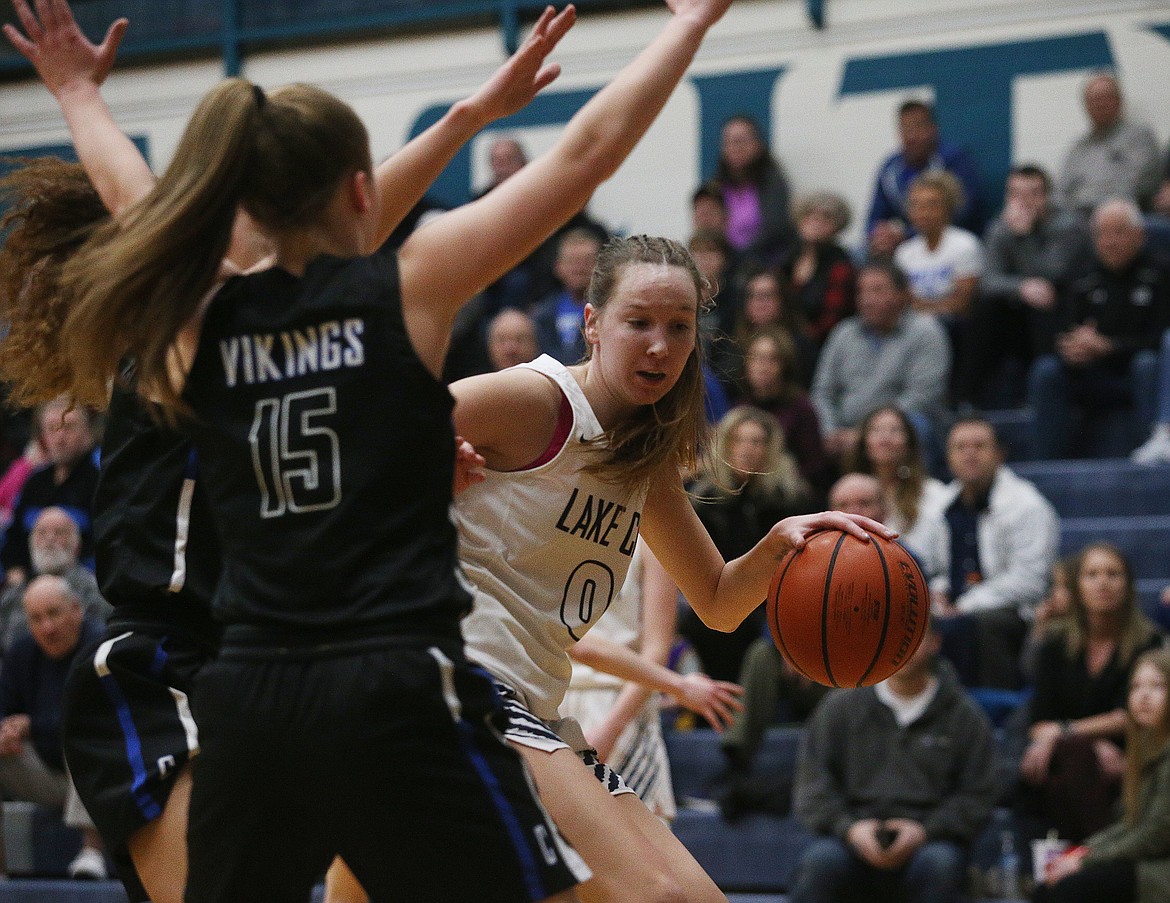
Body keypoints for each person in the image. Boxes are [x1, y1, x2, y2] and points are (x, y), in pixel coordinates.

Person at [17, 0, 763, 900]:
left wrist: (76, 96)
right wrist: (683, 27)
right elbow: (582, 158)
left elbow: (129, 196)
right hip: (332, 669)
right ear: (361, 196)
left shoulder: (199, 320)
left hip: (267, 672)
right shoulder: (392, 298)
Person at [788, 621, 999, 903]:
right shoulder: (839, 708)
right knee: (820, 864)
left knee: (941, 865)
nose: (900, 648)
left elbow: (979, 795)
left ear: (934, 642)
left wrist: (925, 831)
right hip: (851, 839)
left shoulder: (965, 716)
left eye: (910, 637)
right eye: (889, 638)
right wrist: (850, 829)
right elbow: (812, 787)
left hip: (931, 841)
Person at [715, 471, 887, 800]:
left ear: (883, 509)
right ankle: (736, 758)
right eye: (844, 504)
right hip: (809, 670)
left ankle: (840, 777)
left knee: (860, 680)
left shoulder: (901, 561)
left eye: (864, 503)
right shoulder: (807, 554)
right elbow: (779, 603)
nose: (855, 511)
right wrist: (789, 648)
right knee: (761, 655)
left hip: (863, 674)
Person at [561, 539, 741, 822]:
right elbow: (574, 643)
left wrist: (610, 729)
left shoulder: (650, 533)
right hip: (554, 696)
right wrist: (678, 685)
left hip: (623, 701)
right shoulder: (545, 516)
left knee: (646, 847)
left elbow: (657, 650)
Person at [1016, 543, 1164, 844]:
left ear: (1128, 585)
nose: (1103, 583)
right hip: (1070, 756)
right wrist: (1089, 741)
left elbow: (1133, 713)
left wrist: (1069, 732)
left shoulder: (1147, 641)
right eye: (1092, 574)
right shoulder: (1056, 644)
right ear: (1077, 586)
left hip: (1130, 753)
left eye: (1113, 574)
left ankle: (1072, 863)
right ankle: (1092, 857)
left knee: (1065, 773)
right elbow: (1039, 722)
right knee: (1070, 761)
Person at [916, 417, 1061, 689]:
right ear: (948, 457)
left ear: (999, 454)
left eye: (979, 446)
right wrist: (938, 593)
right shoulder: (939, 507)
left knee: (980, 624)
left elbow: (1031, 582)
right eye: (960, 447)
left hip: (1016, 611)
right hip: (953, 606)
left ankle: (997, 704)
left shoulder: (1028, 506)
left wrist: (965, 605)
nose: (969, 453)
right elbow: (934, 569)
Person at [679, 406, 815, 682]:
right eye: (739, 440)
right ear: (725, 446)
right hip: (713, 605)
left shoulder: (790, 501)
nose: (747, 449)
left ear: (771, 450)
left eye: (757, 441)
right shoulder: (703, 500)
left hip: (771, 608)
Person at [1026, 198, 1170, 459]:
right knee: (1046, 371)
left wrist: (1110, 347)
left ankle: (1151, 455)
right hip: (1088, 370)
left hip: (1133, 372)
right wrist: (1071, 346)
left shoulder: (1160, 274)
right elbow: (1057, 328)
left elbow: (1161, 339)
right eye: (1102, 233)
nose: (1110, 241)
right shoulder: (1080, 274)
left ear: (1140, 236)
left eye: (1119, 232)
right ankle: (1046, 465)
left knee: (1147, 364)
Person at [1034, 648, 1170, 903]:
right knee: (1047, 887)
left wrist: (1085, 860)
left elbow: (1157, 835)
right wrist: (1081, 853)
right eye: (1136, 687)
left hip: (1160, 871)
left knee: (1071, 890)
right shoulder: (1145, 751)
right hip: (1146, 863)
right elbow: (1129, 824)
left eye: (1158, 686)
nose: (1143, 696)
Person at [0, 575, 106, 879]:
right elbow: (6, 707)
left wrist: (32, 726)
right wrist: (5, 732)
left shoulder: (99, 647)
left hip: (101, 775)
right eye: (36, 618)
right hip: (46, 773)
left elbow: (92, 716)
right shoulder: (21, 653)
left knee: (85, 736)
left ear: (76, 610)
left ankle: (92, 852)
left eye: (54, 614)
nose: (47, 627)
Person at [962, 164, 1090, 408]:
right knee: (986, 310)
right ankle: (967, 401)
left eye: (1033, 193)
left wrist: (1024, 236)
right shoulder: (1000, 226)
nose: (1024, 202)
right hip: (1020, 312)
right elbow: (988, 280)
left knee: (1042, 302)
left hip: (1063, 312)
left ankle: (1044, 398)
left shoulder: (1068, 225)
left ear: (1047, 197)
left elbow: (1052, 274)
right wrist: (1020, 288)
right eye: (1016, 194)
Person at [810, 261, 950, 465]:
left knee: (918, 426)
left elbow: (922, 396)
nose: (866, 300)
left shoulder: (926, 332)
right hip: (843, 432)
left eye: (877, 290)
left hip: (900, 427)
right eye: (861, 292)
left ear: (901, 294)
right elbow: (822, 391)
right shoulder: (844, 333)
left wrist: (868, 434)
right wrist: (830, 430)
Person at [866, 99, 984, 260]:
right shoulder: (890, 167)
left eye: (918, 127)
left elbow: (962, 213)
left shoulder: (955, 159)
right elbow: (874, 219)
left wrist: (907, 235)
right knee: (866, 253)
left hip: (948, 241)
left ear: (933, 129)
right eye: (906, 128)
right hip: (905, 246)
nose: (912, 135)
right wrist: (880, 235)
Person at [0, 394, 99, 584]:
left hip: (85, 582)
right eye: (52, 429)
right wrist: (14, 570)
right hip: (31, 582)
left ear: (86, 430)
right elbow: (13, 536)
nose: (60, 437)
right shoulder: (35, 481)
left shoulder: (99, 477)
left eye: (68, 427)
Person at [734, 327, 831, 494]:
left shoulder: (802, 409)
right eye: (756, 359)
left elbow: (814, 466)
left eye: (772, 360)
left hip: (788, 493)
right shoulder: (739, 408)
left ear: (785, 365)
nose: (762, 367)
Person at [0, 506, 110, 651]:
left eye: (59, 533)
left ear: (77, 545)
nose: (49, 539)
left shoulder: (96, 590)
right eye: (42, 533)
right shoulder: (12, 595)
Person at [849, 405, 948, 560]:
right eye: (876, 430)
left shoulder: (933, 491)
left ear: (909, 444)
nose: (885, 437)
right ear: (864, 443)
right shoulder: (849, 491)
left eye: (895, 430)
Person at [1056, 72, 1161, 218]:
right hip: (1078, 218)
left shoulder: (1139, 137)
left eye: (1106, 97)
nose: (1100, 104)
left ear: (1120, 101)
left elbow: (1140, 185)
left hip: (1122, 215)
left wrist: (1095, 202)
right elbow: (1061, 193)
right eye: (1094, 99)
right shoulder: (1078, 148)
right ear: (1086, 105)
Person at [709, 114, 795, 266]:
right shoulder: (716, 186)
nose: (736, 148)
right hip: (723, 266)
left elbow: (775, 229)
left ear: (758, 144)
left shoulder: (773, 184)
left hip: (764, 263)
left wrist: (738, 257)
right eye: (729, 142)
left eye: (741, 141)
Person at [780, 191, 856, 350]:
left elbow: (831, 323)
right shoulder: (788, 259)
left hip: (818, 347)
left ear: (837, 226)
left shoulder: (841, 266)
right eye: (809, 214)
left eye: (826, 217)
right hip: (781, 341)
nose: (816, 220)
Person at [532, 227, 603, 363]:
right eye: (572, 261)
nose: (579, 268)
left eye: (587, 261)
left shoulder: (606, 313)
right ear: (558, 266)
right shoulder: (541, 314)